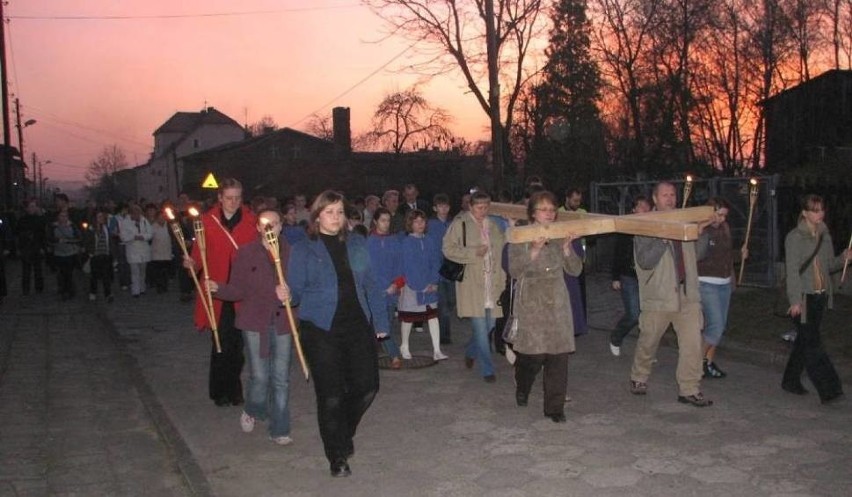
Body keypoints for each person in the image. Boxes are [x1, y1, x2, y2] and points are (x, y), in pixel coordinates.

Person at [287, 190, 390, 477]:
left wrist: (381, 322)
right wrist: (284, 292)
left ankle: (342, 432)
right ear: (317, 214)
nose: (335, 217)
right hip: (320, 328)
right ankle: (336, 454)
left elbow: (371, 283)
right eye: (329, 212)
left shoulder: (357, 243)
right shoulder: (304, 248)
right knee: (330, 395)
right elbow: (294, 294)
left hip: (356, 324)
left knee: (367, 386)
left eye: (340, 212)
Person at [206, 209, 296, 445]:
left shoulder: (291, 253)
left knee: (281, 378)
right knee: (259, 376)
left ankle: (280, 428)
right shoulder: (246, 254)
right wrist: (218, 288)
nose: (270, 228)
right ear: (257, 228)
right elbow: (238, 290)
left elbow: (299, 288)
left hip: (283, 322)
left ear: (281, 227)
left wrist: (291, 294)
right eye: (265, 224)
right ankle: (253, 408)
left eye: (275, 223)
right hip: (255, 321)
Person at [629, 181, 713, 407]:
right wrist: (662, 236)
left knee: (692, 343)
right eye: (664, 195)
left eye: (672, 195)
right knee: (649, 339)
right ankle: (639, 376)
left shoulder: (684, 220)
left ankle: (689, 388)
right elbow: (645, 261)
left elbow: (699, 255)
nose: (670, 199)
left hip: (687, 294)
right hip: (659, 294)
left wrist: (701, 233)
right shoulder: (644, 226)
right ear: (655, 199)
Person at [508, 191, 583, 423]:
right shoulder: (519, 235)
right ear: (532, 213)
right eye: (543, 209)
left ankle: (554, 407)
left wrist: (568, 249)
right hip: (532, 302)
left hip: (557, 303)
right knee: (533, 356)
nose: (549, 214)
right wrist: (534, 250)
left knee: (558, 357)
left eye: (552, 210)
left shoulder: (561, 235)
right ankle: (523, 384)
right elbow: (514, 270)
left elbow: (575, 270)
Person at [186, 179, 258, 407]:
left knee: (237, 344)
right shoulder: (207, 222)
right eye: (229, 197)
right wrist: (192, 264)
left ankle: (233, 387)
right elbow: (198, 256)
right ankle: (220, 390)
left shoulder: (250, 221)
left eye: (237, 197)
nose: (233, 202)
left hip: (241, 292)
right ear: (219, 198)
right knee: (220, 342)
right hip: (217, 290)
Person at [781, 194, 851, 404]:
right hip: (803, 297)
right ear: (804, 212)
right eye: (815, 210)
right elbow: (792, 271)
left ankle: (790, 380)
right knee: (813, 345)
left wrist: (844, 258)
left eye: (821, 209)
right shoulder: (794, 237)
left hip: (820, 296)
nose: (820, 213)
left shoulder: (824, 234)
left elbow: (829, 266)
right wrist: (794, 300)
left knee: (805, 340)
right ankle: (830, 390)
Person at [443, 190, 507, 383]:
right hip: (472, 284)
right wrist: (473, 253)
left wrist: (510, 229)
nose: (483, 211)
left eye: (486, 207)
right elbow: (447, 249)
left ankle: (471, 350)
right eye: (479, 207)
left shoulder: (494, 225)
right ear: (470, 206)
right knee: (480, 328)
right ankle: (487, 369)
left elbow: (504, 246)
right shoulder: (459, 224)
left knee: (490, 324)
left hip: (492, 283)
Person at [697, 197, 745, 379]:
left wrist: (739, 255)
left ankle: (707, 363)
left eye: (725, 216)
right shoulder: (700, 229)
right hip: (706, 281)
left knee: (719, 326)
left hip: (724, 282)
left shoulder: (725, 228)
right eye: (719, 215)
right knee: (715, 327)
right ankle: (695, 362)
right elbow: (697, 255)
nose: (722, 219)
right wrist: (701, 230)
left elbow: (726, 255)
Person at [398, 209, 447, 361]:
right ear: (410, 224)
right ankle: (404, 345)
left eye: (422, 221)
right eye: (416, 221)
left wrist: (433, 281)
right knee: (409, 317)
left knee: (432, 317)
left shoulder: (430, 240)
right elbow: (408, 266)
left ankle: (437, 350)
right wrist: (420, 285)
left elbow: (435, 262)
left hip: (430, 284)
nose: (420, 224)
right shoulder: (406, 243)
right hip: (413, 285)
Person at [609, 196, 652, 356]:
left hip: (647, 276)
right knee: (634, 314)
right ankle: (616, 336)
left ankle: (645, 352)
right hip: (629, 275)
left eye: (647, 206)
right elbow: (618, 253)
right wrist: (615, 277)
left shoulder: (653, 226)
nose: (644, 209)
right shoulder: (627, 227)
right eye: (641, 206)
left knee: (647, 316)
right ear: (634, 209)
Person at [366, 207, 404, 369]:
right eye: (382, 220)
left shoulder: (394, 241)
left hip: (391, 290)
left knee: (385, 323)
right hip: (374, 291)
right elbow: (366, 269)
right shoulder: (368, 242)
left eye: (388, 220)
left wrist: (396, 284)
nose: (386, 224)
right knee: (381, 324)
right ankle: (394, 354)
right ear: (375, 221)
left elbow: (401, 265)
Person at [427, 193, 455, 345]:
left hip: (450, 267)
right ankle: (444, 335)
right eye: (440, 207)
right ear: (435, 208)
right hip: (437, 267)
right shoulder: (431, 225)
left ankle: (442, 323)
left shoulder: (452, 223)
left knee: (451, 300)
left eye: (445, 207)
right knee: (443, 303)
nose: (443, 209)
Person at [119, 204, 152, 298]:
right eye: (135, 213)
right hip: (132, 250)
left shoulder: (144, 221)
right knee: (135, 271)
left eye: (138, 212)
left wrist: (143, 237)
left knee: (142, 271)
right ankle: (135, 290)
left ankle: (142, 288)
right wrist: (133, 237)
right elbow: (123, 236)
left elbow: (150, 233)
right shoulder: (125, 223)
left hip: (143, 249)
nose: (137, 215)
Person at [15, 199, 47, 296]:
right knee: (26, 271)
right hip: (26, 247)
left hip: (37, 247)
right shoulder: (22, 220)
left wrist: (43, 247)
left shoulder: (40, 219)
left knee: (38, 270)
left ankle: (39, 288)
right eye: (30, 206)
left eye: (33, 206)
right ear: (26, 208)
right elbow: (17, 234)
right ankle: (26, 289)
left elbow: (43, 235)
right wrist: (19, 248)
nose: (31, 208)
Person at [82, 210, 114, 302]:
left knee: (106, 276)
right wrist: (89, 251)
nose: (101, 218)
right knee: (94, 276)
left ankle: (108, 294)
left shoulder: (106, 228)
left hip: (105, 254)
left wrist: (112, 254)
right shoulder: (91, 229)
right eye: (99, 217)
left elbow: (110, 241)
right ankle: (93, 292)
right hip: (95, 255)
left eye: (102, 216)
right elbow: (87, 241)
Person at [52, 209, 81, 300]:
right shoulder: (53, 227)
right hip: (59, 253)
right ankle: (64, 289)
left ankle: (69, 290)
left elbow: (79, 237)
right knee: (61, 273)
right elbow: (49, 238)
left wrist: (68, 240)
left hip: (70, 253)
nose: (63, 218)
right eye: (61, 216)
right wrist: (57, 240)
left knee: (69, 273)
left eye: (65, 216)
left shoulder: (72, 226)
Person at [147, 204, 173, 294]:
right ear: (157, 218)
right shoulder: (153, 227)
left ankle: (165, 286)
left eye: (163, 217)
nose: (162, 219)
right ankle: (159, 287)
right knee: (158, 272)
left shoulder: (169, 226)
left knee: (165, 272)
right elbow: (149, 238)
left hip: (167, 252)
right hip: (156, 253)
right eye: (160, 217)